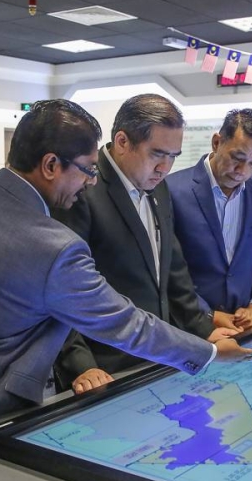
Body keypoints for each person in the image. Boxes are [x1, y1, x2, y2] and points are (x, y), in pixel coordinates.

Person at [0, 100, 252, 446]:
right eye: (87, 169)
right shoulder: (54, 246)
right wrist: (207, 352)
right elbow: (123, 322)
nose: (91, 181)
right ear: (50, 165)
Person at [52, 94, 236, 392]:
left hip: (158, 359)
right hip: (104, 367)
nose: (165, 167)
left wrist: (204, 330)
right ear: (123, 142)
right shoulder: (82, 189)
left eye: (173, 156)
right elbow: (63, 289)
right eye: (157, 154)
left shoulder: (158, 188)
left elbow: (173, 272)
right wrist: (81, 365)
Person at [167, 108, 252, 330]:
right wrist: (208, 315)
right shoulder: (172, 190)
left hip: (243, 325)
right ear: (217, 142)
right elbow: (168, 268)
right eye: (237, 158)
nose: (242, 171)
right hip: (190, 327)